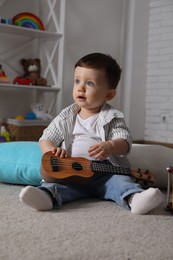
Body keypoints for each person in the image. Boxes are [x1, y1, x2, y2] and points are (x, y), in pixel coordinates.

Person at [19, 53, 164, 214]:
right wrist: (52, 151)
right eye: (77, 81)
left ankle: (134, 198)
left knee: (121, 182)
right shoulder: (66, 116)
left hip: (104, 172)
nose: (80, 88)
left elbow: (124, 141)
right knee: (54, 185)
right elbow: (46, 138)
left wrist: (110, 146)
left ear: (108, 94)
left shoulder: (113, 117)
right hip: (70, 172)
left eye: (89, 83)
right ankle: (45, 197)